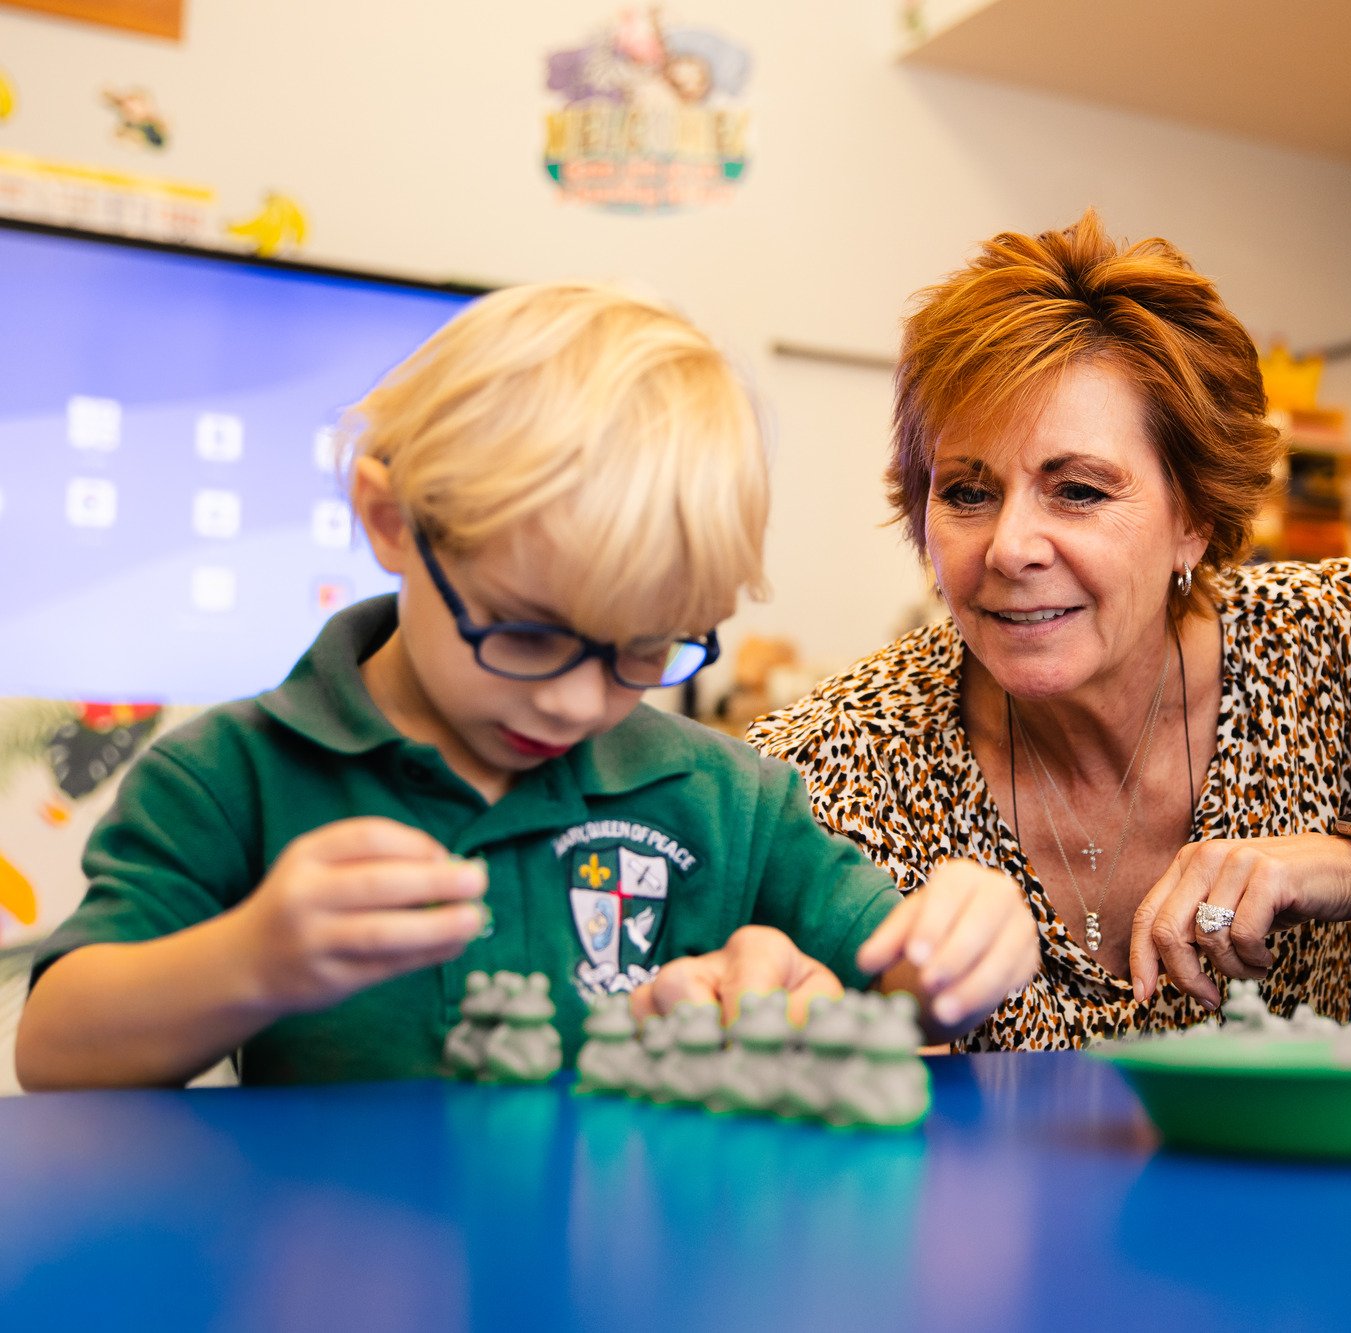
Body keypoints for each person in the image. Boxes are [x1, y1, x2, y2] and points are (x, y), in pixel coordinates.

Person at [17, 281, 1038, 1088]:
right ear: (391, 520)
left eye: (645, 650)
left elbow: (902, 996)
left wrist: (963, 946)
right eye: (527, 634)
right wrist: (251, 960)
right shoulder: (230, 777)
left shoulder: (731, 800)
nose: (576, 702)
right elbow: (55, 1054)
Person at [749, 212, 1351, 1049]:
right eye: (967, 493)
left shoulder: (1346, 647)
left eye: (1079, 491)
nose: (1010, 547)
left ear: (1194, 517)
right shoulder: (826, 771)